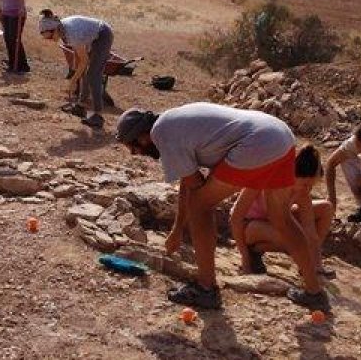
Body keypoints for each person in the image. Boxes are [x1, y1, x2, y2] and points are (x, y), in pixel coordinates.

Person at [115, 103, 329, 312]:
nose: (135, 154)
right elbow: (188, 183)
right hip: (280, 136)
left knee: (201, 206)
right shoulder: (174, 120)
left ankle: (206, 288)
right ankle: (314, 292)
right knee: (281, 217)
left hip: (257, 143)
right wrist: (177, 229)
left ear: (141, 136)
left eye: (133, 147)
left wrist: (180, 229)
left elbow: (196, 191)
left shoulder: (161, 133)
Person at [230, 144, 334, 278]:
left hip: (275, 223)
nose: (307, 189)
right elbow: (235, 217)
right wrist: (245, 259)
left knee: (326, 208)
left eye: (311, 186)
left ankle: (308, 264)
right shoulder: (265, 179)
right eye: (304, 184)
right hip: (250, 227)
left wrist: (317, 266)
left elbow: (311, 233)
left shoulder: (302, 194)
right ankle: (252, 252)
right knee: (293, 237)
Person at [38, 9, 112, 128]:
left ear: (55, 29)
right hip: (92, 37)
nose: (51, 40)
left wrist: (73, 81)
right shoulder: (63, 31)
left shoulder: (72, 33)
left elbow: (84, 61)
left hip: (103, 35)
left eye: (50, 37)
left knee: (93, 75)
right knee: (85, 73)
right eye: (47, 38)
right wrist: (74, 73)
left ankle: (98, 116)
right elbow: (77, 56)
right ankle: (80, 107)